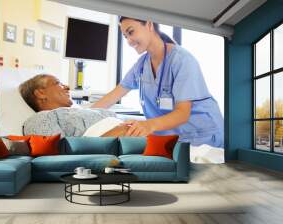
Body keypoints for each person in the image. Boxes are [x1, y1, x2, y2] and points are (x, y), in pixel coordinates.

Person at [91, 17, 224, 148]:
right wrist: (84, 114)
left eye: (131, 32)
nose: (129, 41)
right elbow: (114, 95)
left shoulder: (182, 60)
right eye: (125, 36)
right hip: (171, 139)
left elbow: (182, 113)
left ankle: (90, 149)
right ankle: (88, 148)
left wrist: (148, 125)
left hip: (202, 137)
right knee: (125, 128)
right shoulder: (142, 65)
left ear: (149, 24)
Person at [19, 74, 128, 137]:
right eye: (58, 83)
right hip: (122, 136)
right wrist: (118, 133)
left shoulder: (75, 112)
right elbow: (60, 152)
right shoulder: (39, 119)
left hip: (129, 130)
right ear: (40, 93)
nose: (67, 87)